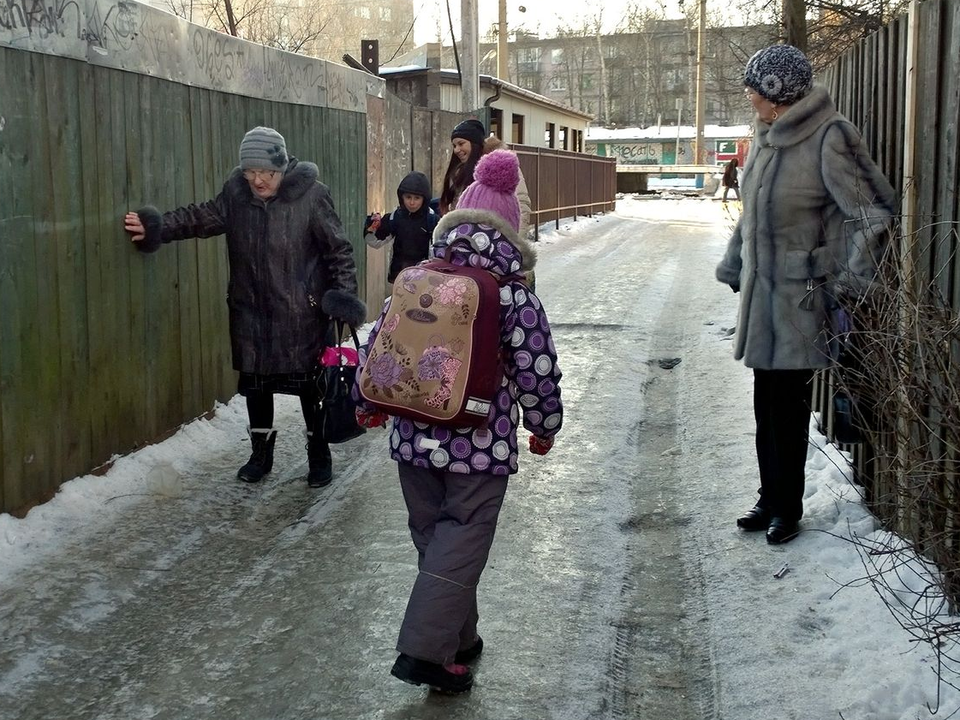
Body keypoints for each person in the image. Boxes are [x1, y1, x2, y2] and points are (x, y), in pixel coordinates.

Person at [354, 149, 564, 693]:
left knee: (436, 540)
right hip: (477, 443)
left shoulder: (416, 276)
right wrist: (544, 424)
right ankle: (426, 652)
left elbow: (382, 345)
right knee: (462, 540)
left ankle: (458, 640)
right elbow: (535, 368)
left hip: (411, 436)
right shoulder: (515, 294)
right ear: (511, 232)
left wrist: (367, 402)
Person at [715, 45, 897, 544]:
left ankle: (786, 507)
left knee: (787, 405)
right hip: (760, 294)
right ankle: (768, 496)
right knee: (763, 402)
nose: (748, 93)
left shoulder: (829, 136)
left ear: (778, 92)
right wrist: (735, 261)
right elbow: (754, 216)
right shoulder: (766, 135)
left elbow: (875, 213)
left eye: (755, 86)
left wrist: (846, 280)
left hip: (800, 296)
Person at [123, 126, 365, 489]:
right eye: (251, 172)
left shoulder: (312, 196)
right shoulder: (236, 197)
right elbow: (199, 218)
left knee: (311, 390)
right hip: (250, 313)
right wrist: (156, 226)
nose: (258, 180)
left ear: (281, 168)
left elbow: (338, 250)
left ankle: (319, 455)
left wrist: (342, 297)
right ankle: (260, 454)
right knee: (257, 388)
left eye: (266, 172)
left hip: (300, 315)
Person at [364, 171, 439, 283]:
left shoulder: (433, 220)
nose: (412, 202)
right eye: (408, 197)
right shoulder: (395, 217)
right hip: (399, 276)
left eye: (417, 198)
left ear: (425, 199)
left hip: (425, 278)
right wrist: (371, 226)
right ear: (401, 197)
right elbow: (374, 242)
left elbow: (439, 253)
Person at [438, 118, 485, 214]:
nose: (456, 150)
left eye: (461, 144)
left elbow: (521, 205)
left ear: (475, 143)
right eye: (454, 146)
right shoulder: (458, 173)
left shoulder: (500, 168)